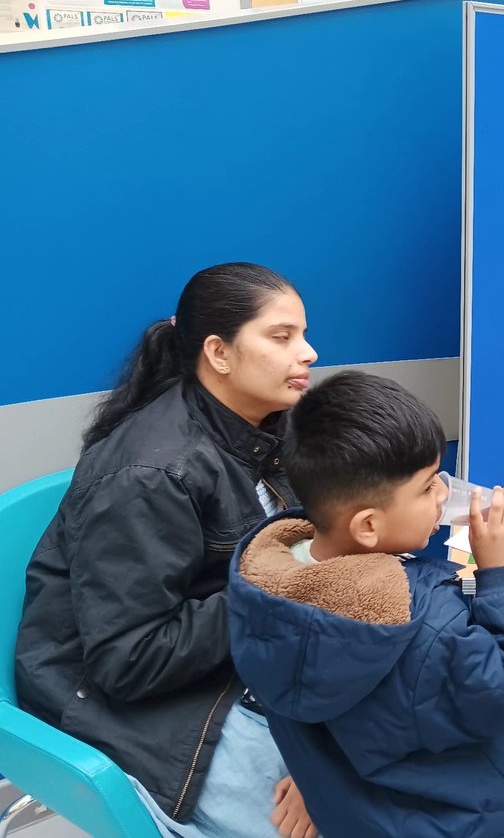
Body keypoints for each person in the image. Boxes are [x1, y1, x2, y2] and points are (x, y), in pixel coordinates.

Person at [16, 263, 320, 838]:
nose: (307, 352)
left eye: (303, 334)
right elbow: (127, 661)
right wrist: (285, 583)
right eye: (281, 337)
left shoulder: (267, 429)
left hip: (224, 661)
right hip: (118, 694)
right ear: (219, 353)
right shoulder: (152, 473)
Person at [226, 372, 504, 838]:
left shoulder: (261, 588)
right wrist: (498, 580)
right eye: (429, 485)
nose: (444, 495)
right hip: (459, 822)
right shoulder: (427, 625)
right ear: (368, 527)